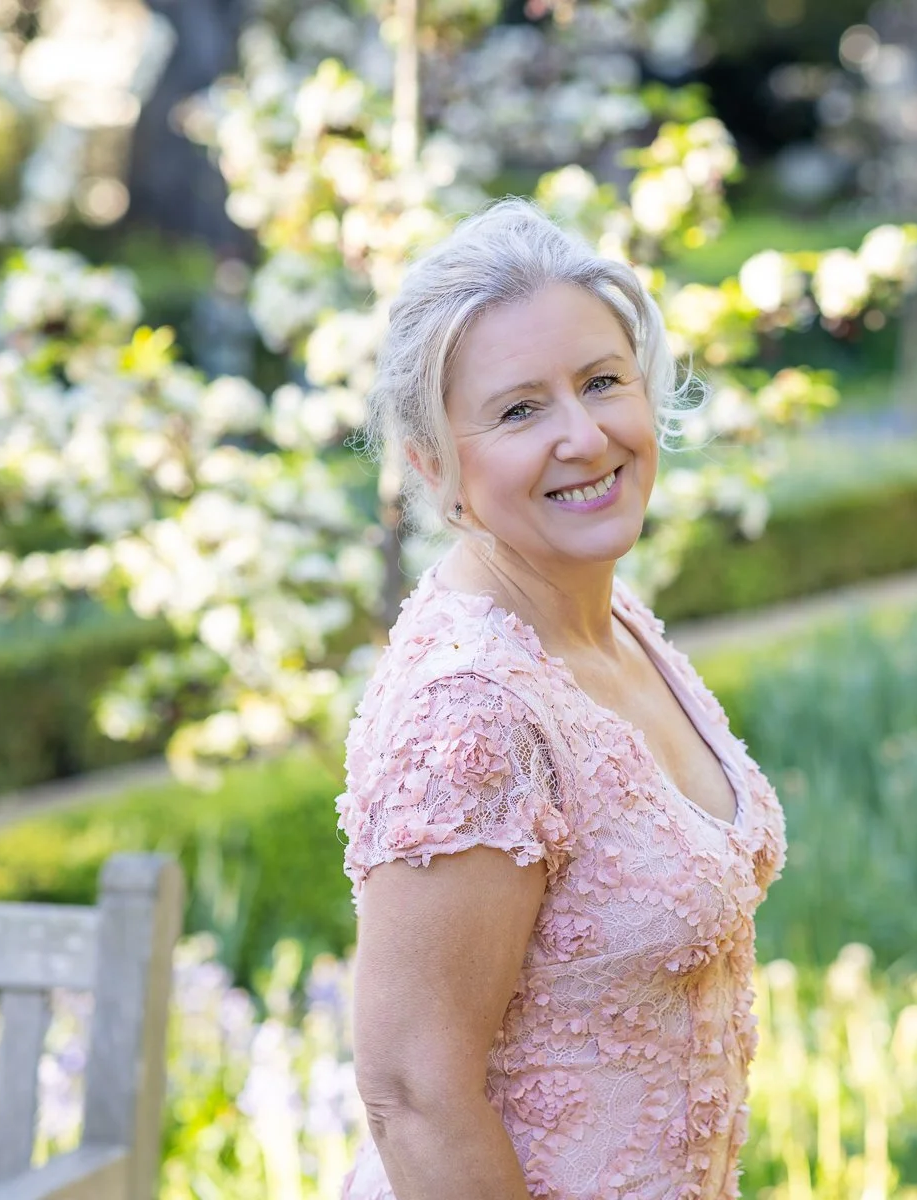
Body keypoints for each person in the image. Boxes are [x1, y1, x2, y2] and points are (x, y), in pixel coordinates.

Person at [335, 198, 788, 1200]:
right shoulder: (471, 712)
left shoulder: (605, 614)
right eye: (519, 410)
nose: (585, 437)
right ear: (432, 466)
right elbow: (414, 1095)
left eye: (600, 383)